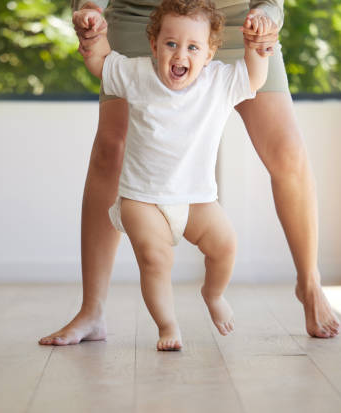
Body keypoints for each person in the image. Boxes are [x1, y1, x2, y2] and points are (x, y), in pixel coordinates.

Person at [39, 0, 341, 346]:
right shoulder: (145, 56)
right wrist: (89, 9)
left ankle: (309, 282)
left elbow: (257, 59)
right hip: (145, 14)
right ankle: (92, 310)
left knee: (287, 151)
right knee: (111, 150)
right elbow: (100, 59)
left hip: (238, 19)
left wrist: (266, 17)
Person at [69, 0, 271, 351]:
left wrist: (257, 48)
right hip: (142, 200)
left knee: (225, 246)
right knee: (155, 259)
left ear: (209, 54)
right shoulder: (137, 74)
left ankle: (213, 294)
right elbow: (101, 61)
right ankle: (167, 325)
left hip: (196, 200)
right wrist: (93, 33)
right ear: (154, 46)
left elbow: (254, 77)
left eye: (193, 47)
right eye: (171, 44)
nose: (181, 55)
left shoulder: (218, 82)